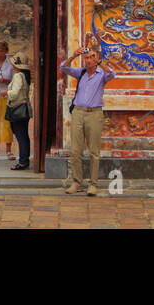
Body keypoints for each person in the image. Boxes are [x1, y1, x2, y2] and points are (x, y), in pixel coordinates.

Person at [60, 39, 116, 196]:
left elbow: (112, 74)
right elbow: (63, 68)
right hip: (78, 112)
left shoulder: (101, 75)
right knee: (75, 150)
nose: (89, 60)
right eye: (87, 57)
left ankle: (93, 184)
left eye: (92, 57)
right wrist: (73, 56)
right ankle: (77, 182)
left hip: (95, 114)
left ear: (96, 58)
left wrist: (100, 62)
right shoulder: (81, 72)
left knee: (94, 151)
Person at [6, 52, 32, 171]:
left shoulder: (18, 76)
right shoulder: (25, 75)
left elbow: (15, 93)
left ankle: (22, 161)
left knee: (20, 135)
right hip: (24, 107)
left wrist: (6, 93)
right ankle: (24, 159)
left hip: (17, 108)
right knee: (24, 136)